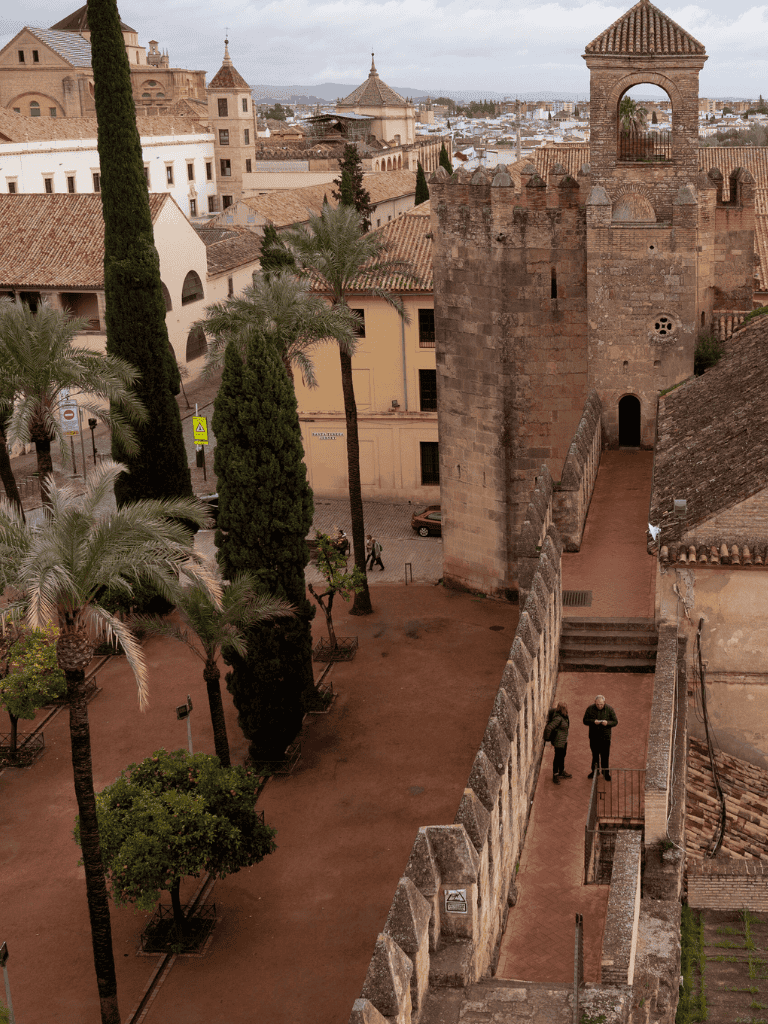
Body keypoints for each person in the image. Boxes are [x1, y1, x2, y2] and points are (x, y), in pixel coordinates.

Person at [583, 694, 618, 781]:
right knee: (595, 755)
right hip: (594, 737)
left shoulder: (609, 709)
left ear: (604, 703)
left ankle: (605, 773)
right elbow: (585, 720)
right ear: (595, 702)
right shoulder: (590, 709)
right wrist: (593, 721)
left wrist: (608, 723)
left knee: (605, 756)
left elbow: (615, 721)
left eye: (601, 704)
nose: (599, 706)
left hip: (605, 738)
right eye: (598, 704)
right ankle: (595, 771)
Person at [547, 702, 571, 784]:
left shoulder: (565, 716)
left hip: (564, 740)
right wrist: (548, 739)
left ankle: (561, 771)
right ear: (562, 709)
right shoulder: (558, 718)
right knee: (557, 758)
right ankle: (555, 775)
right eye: (565, 708)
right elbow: (549, 728)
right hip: (559, 742)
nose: (566, 709)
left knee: (562, 756)